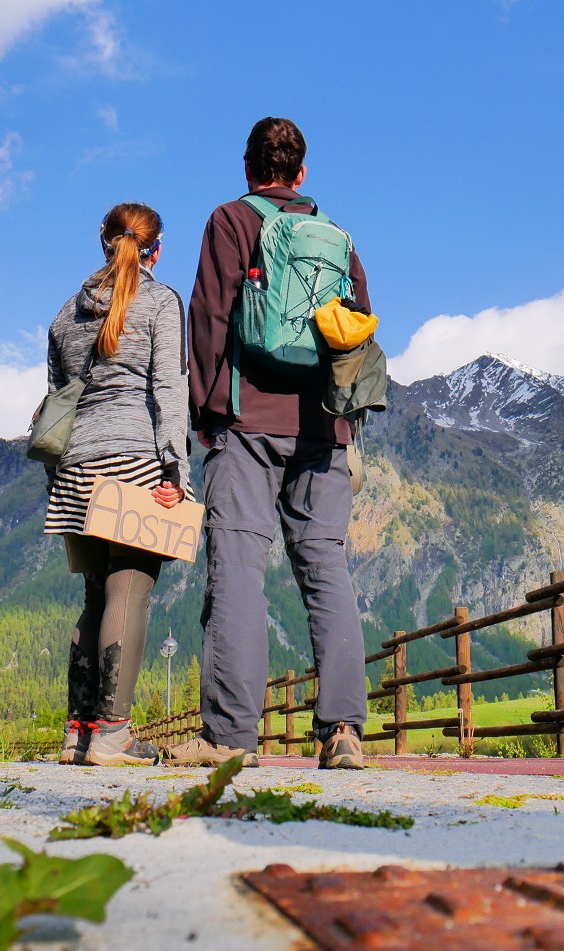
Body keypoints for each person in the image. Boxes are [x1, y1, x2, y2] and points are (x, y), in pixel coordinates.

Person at [168, 117, 369, 771]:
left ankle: (230, 736)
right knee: (328, 573)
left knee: (237, 571)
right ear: (301, 173)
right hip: (323, 429)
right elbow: (357, 323)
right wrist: (347, 422)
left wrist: (206, 410)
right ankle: (343, 731)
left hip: (247, 422)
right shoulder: (335, 235)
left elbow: (209, 317)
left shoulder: (230, 221)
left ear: (248, 166)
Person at [44, 202, 188, 767]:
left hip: (76, 464)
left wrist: (62, 474)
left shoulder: (64, 315)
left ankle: (76, 732)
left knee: (94, 596)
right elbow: (168, 392)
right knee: (129, 590)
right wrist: (176, 469)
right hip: (134, 461)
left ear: (100, 239)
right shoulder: (160, 303)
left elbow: (55, 402)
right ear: (157, 248)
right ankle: (112, 734)